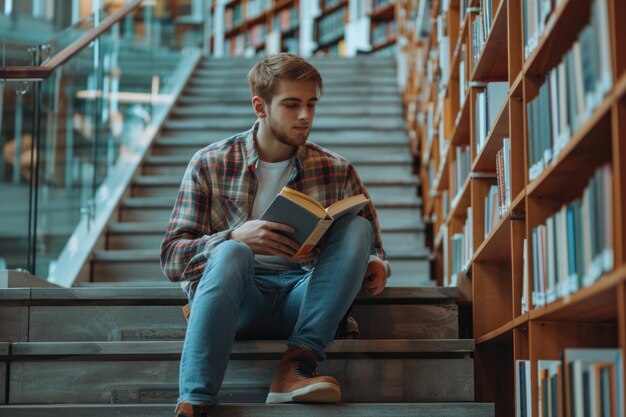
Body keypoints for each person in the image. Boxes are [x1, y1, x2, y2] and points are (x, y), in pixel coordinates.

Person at [160, 53, 391, 417]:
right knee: (233, 253)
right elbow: (172, 258)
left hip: (306, 300)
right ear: (260, 106)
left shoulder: (336, 169)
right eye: (292, 104)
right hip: (238, 302)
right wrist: (234, 237)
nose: (305, 116)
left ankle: (298, 363)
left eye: (311, 104)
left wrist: (376, 265)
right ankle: (195, 399)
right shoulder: (210, 162)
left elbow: (373, 246)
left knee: (356, 227)